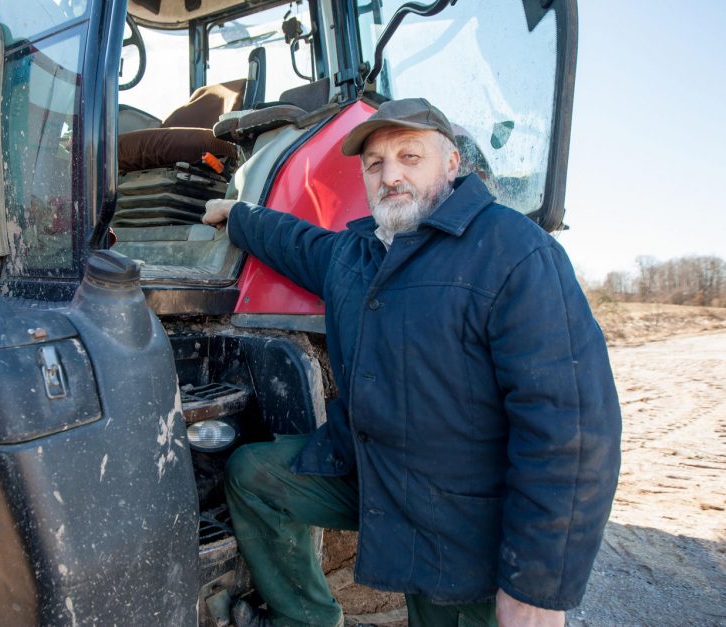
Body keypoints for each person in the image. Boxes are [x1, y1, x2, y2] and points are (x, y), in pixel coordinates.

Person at [202, 98, 621, 627]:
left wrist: (535, 586)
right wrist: (239, 216)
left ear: (452, 163)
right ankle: (305, 618)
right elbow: (296, 242)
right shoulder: (358, 254)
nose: (390, 175)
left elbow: (573, 432)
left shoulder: (514, 253)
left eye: (409, 156)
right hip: (374, 475)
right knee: (254, 474)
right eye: (375, 164)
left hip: (462, 526)